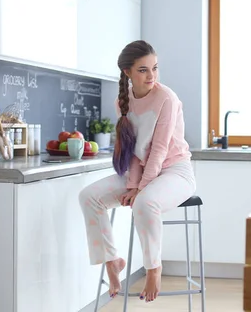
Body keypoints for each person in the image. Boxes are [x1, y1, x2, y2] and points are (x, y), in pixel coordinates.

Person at [79, 40, 196, 303]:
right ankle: (111, 261)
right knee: (88, 196)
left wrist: (140, 189)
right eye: (143, 70)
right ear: (127, 72)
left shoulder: (167, 98)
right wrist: (133, 184)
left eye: (155, 68)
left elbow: (159, 148)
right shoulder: (123, 102)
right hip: (142, 172)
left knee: (144, 203)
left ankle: (154, 267)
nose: (151, 75)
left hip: (176, 171)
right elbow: (132, 150)